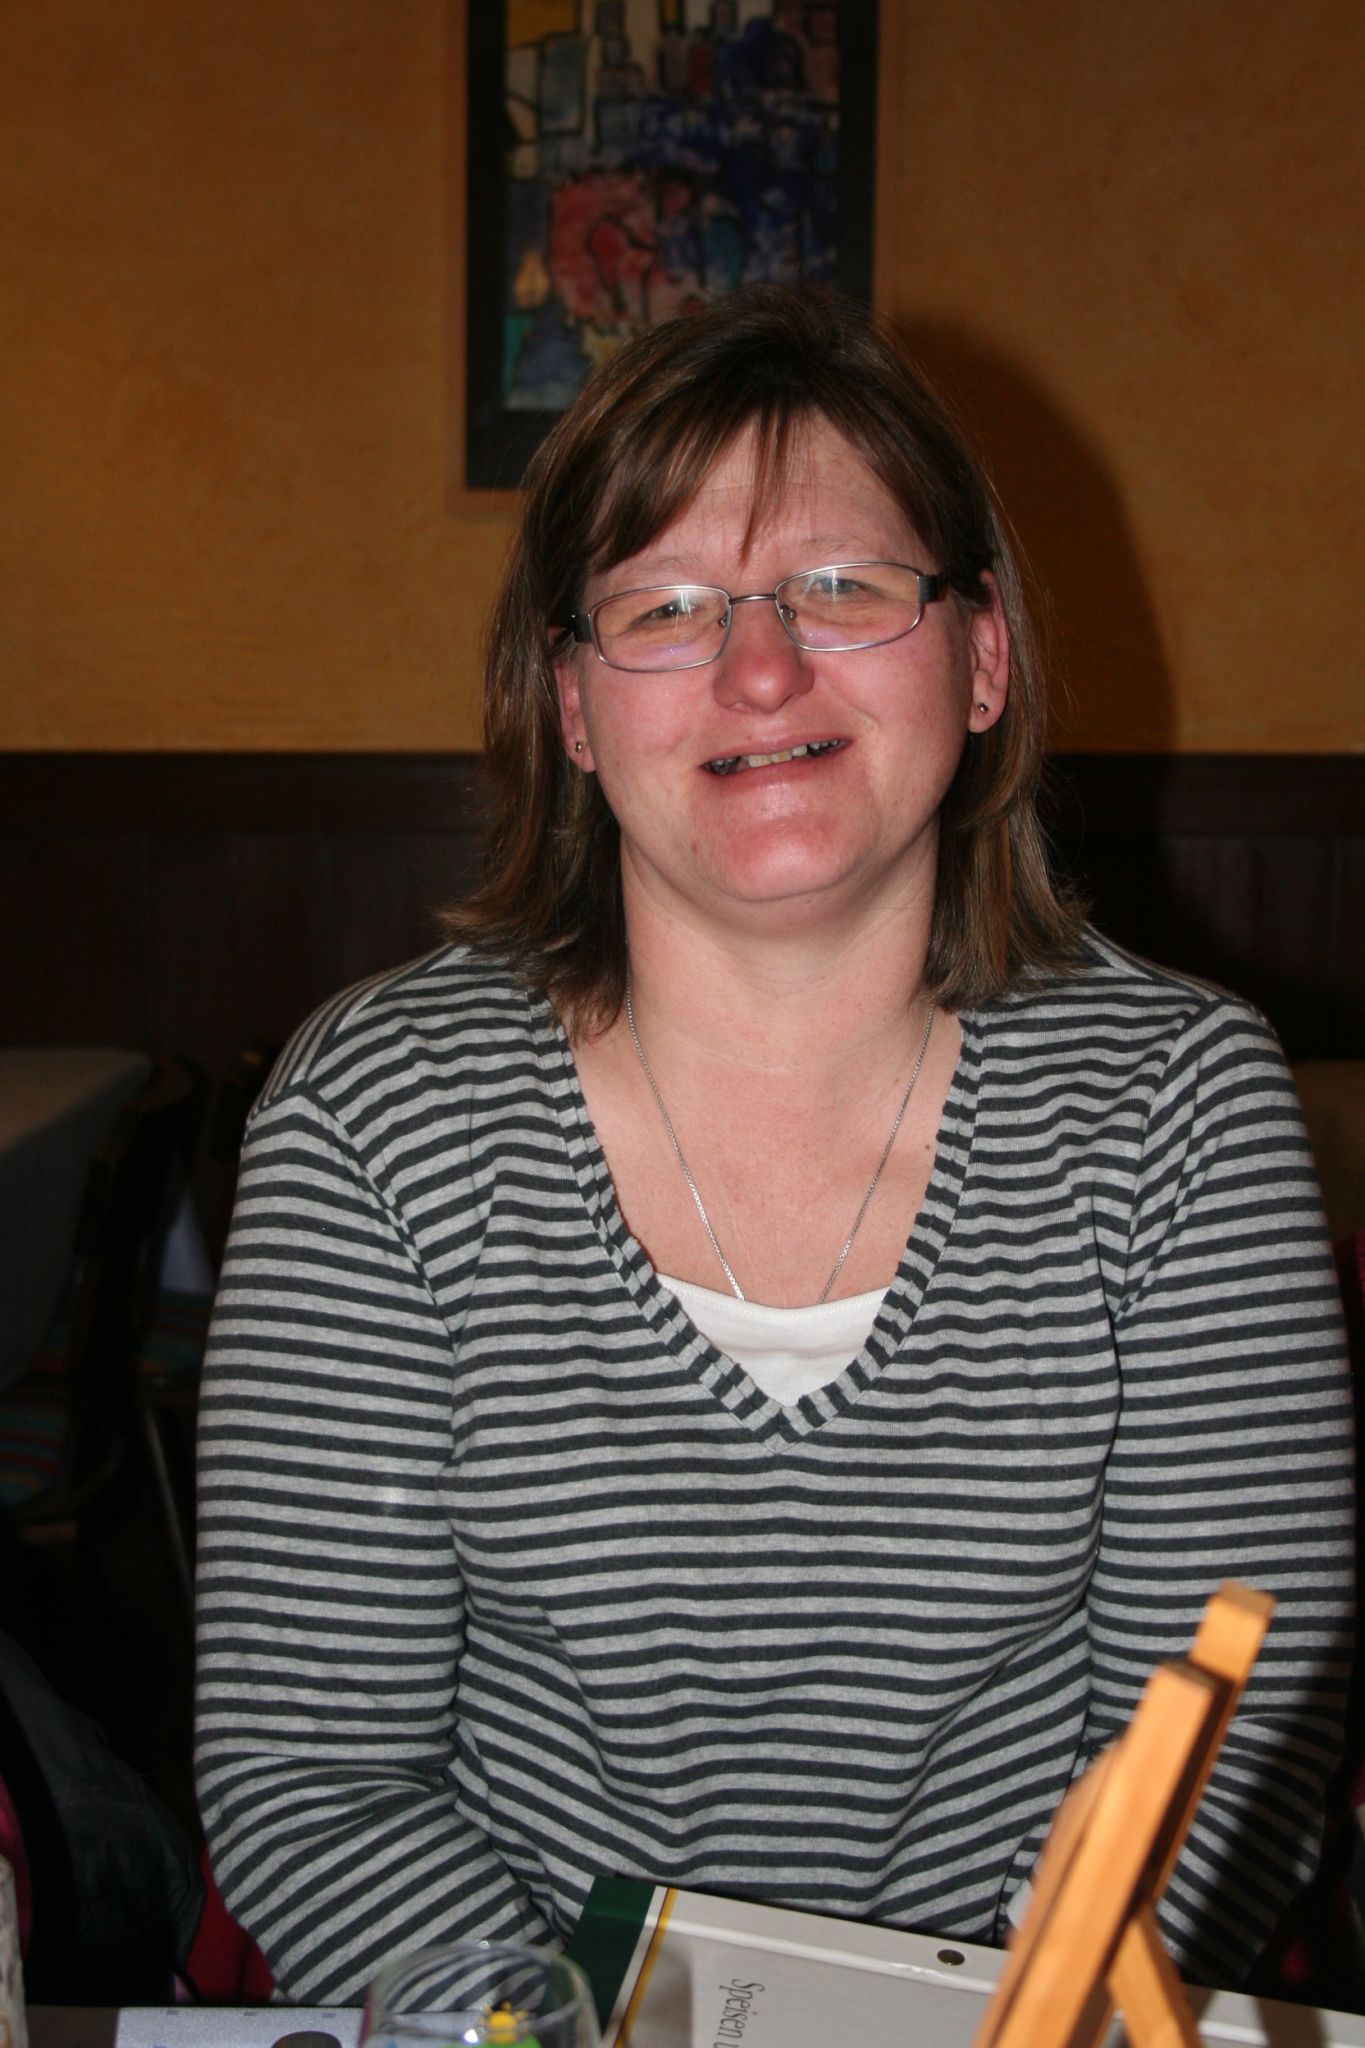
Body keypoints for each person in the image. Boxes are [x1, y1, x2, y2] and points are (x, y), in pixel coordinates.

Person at [194, 286, 1352, 2005]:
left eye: (841, 585)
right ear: (572, 708)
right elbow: (314, 1773)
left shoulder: (1178, 1107)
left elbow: (1211, 1770)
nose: (757, 668)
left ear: (980, 655)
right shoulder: (377, 1117)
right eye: (662, 607)